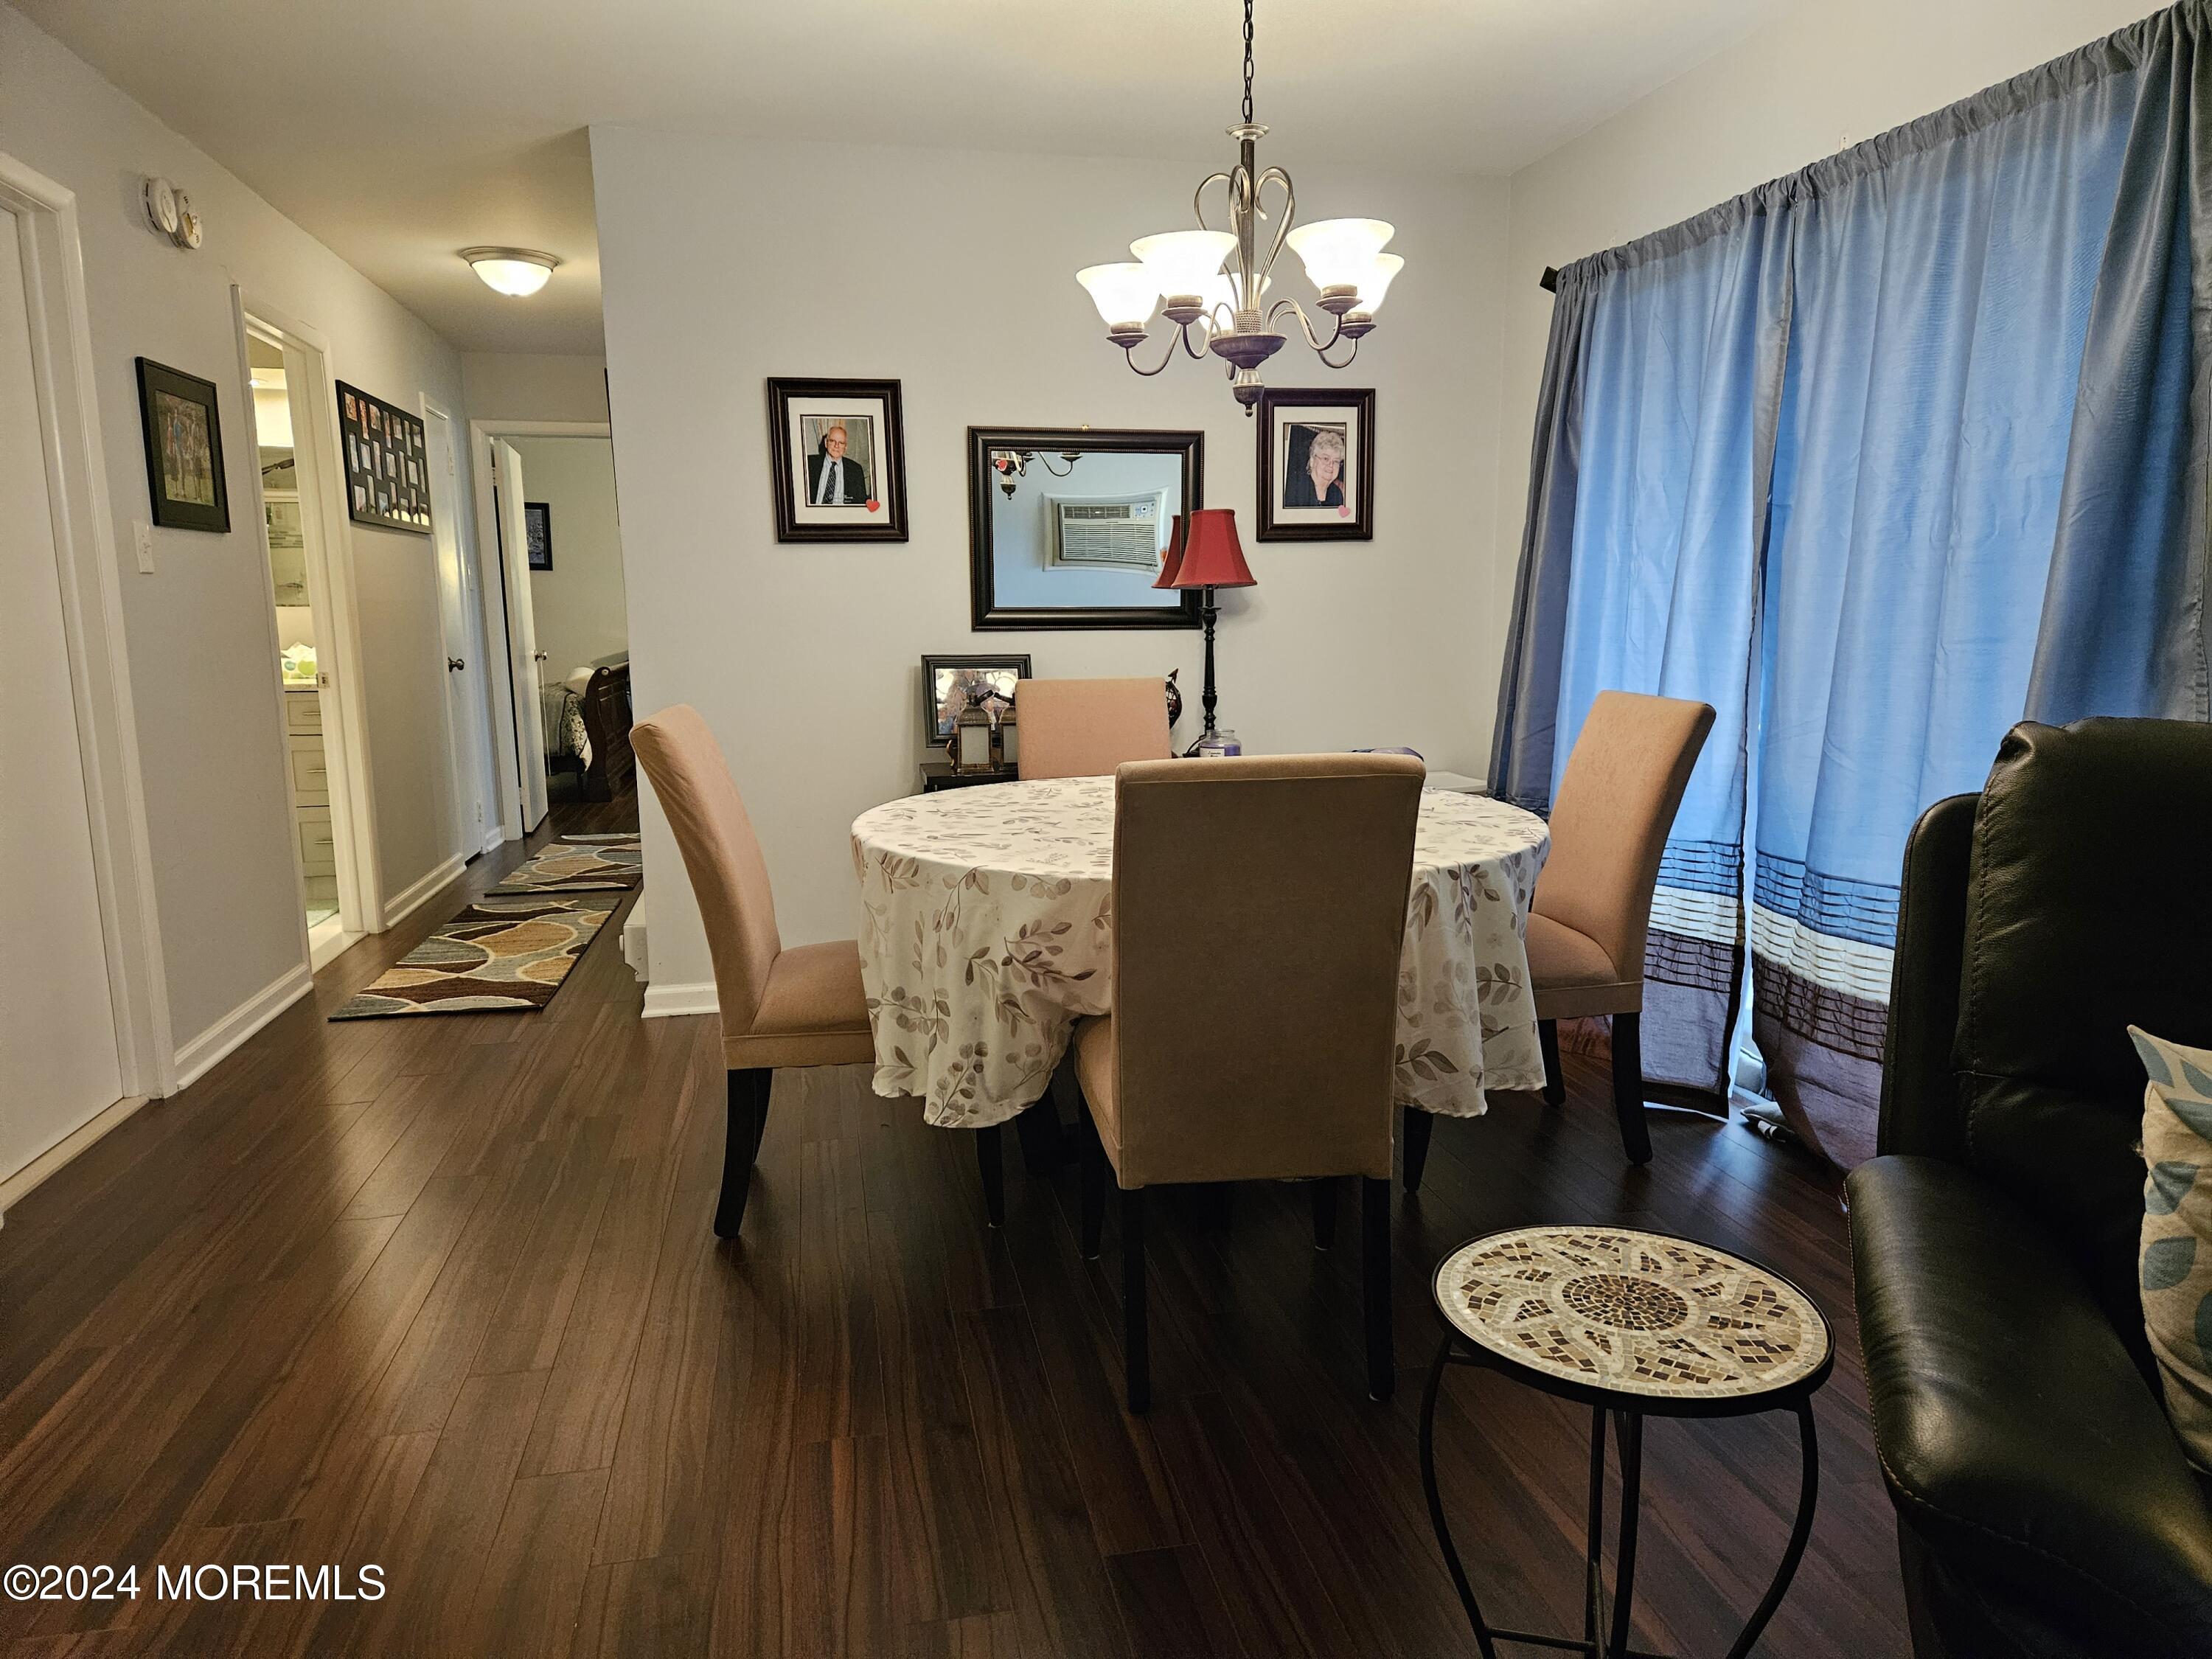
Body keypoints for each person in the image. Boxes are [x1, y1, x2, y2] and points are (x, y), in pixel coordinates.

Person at [1281, 425, 1347, 509]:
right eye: (1325, 458)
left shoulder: (1337, 494)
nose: (1331, 465)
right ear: (1312, 460)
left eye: (1336, 461)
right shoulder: (1295, 488)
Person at [807, 422, 868, 506]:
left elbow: (860, 503)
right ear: (826, 443)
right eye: (832, 441)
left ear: (845, 447)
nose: (837, 446)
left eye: (841, 443)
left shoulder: (856, 470)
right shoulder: (808, 463)